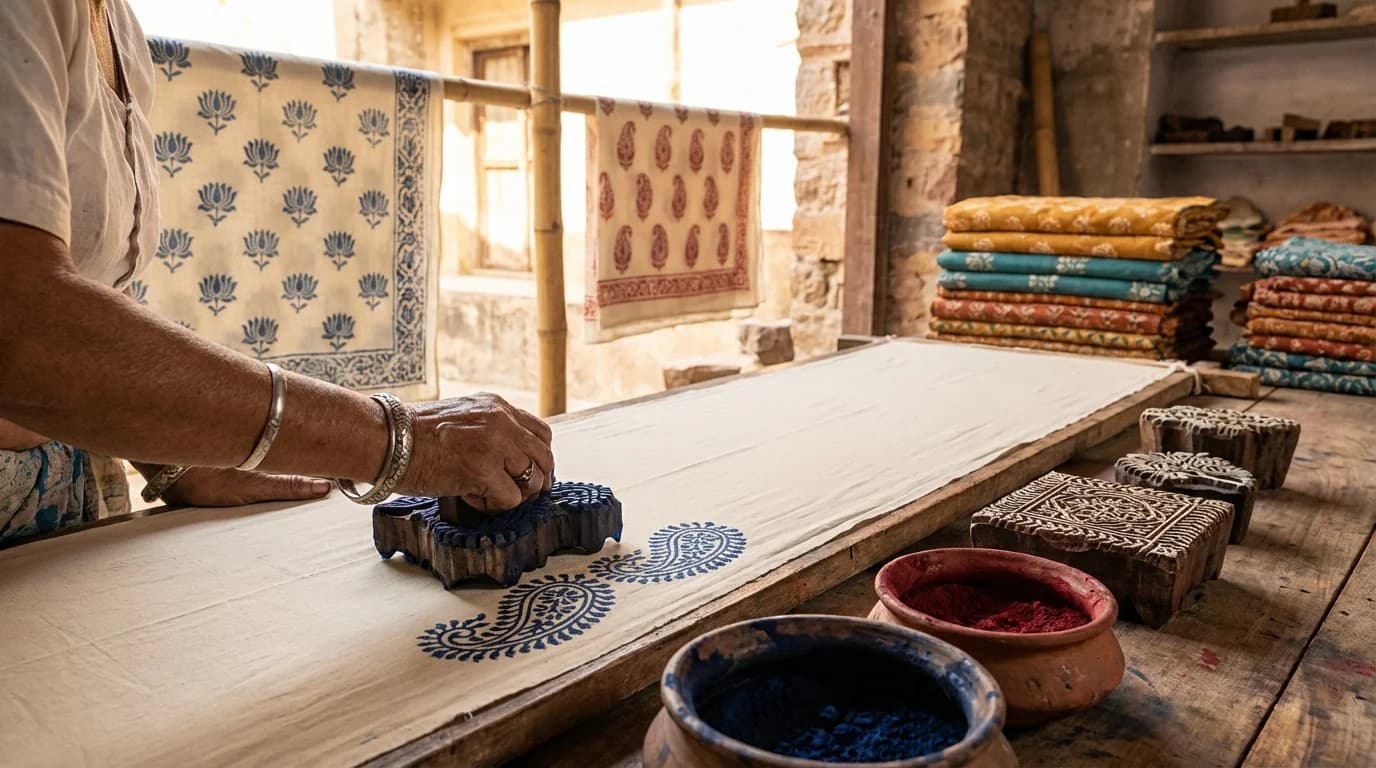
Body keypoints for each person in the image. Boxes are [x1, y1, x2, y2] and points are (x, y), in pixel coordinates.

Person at [0, 0, 555, 544]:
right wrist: (404, 442)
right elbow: (20, 325)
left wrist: (178, 455)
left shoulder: (119, 28)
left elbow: (90, 293)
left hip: (61, 494)